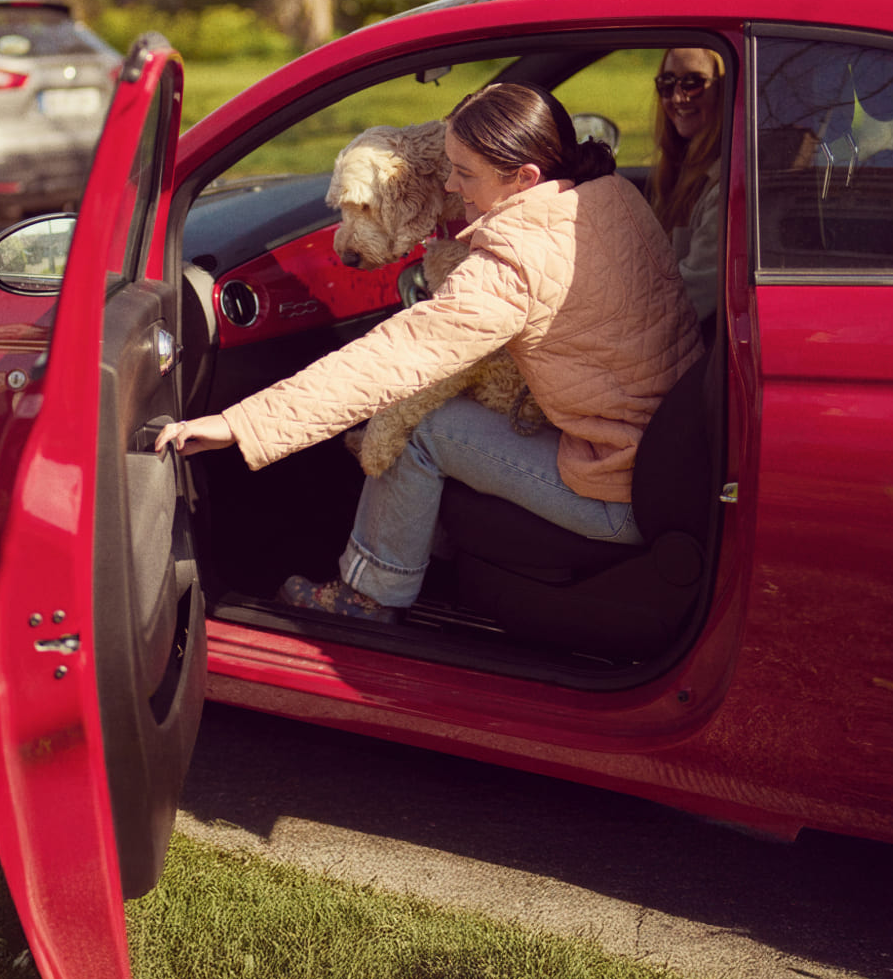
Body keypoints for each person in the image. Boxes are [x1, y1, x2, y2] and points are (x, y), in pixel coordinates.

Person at [158, 82, 703, 622]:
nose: (450, 185)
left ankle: (369, 594)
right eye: (449, 166)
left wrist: (239, 424)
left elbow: (395, 358)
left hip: (616, 487)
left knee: (416, 425)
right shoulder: (611, 196)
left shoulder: (514, 265)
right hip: (666, 456)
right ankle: (427, 551)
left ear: (526, 177)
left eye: (465, 174)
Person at [647, 47, 726, 324]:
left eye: (693, 83)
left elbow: (688, 299)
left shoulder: (724, 189)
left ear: (723, 90)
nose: (678, 97)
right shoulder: (681, 171)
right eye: (667, 84)